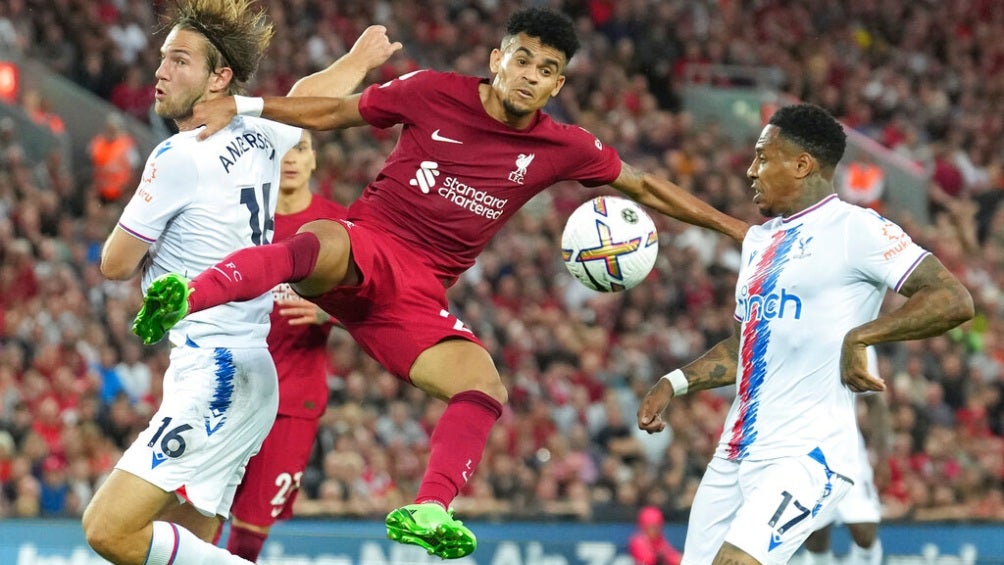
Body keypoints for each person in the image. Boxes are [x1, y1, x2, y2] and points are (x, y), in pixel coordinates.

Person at [130, 7, 747, 560]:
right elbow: (337, 112)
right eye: (522, 59)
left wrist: (737, 229)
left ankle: (431, 508)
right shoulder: (432, 91)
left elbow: (642, 184)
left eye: (546, 70)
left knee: (483, 384)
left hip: (417, 293)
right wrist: (246, 107)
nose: (530, 76)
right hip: (370, 242)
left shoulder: (562, 145)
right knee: (320, 241)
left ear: (558, 86)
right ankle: (187, 295)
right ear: (496, 58)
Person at [80, 1, 400, 563]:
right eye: (163, 58)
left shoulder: (177, 156)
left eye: (180, 61)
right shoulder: (260, 132)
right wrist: (357, 61)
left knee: (106, 529)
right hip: (250, 371)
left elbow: (115, 263)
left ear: (219, 78)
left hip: (217, 373)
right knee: (188, 546)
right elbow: (308, 95)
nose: (160, 71)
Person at [636, 103, 974, 565]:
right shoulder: (759, 243)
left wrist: (861, 337)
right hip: (734, 454)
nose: (751, 170)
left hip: (808, 455)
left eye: (762, 157)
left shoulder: (857, 228)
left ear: (801, 164)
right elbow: (743, 350)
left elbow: (953, 298)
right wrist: (673, 382)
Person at [222, 130, 345, 561]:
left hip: (293, 398)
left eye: (302, 149)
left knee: (252, 526)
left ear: (314, 160)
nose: (291, 159)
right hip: (228, 387)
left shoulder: (338, 225)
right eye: (282, 150)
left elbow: (378, 294)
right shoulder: (239, 216)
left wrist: (332, 312)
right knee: (201, 506)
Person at [802, 394, 888, 565]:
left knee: (864, 531)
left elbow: (874, 399)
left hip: (850, 453)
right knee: (814, 534)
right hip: (808, 454)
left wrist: (881, 452)